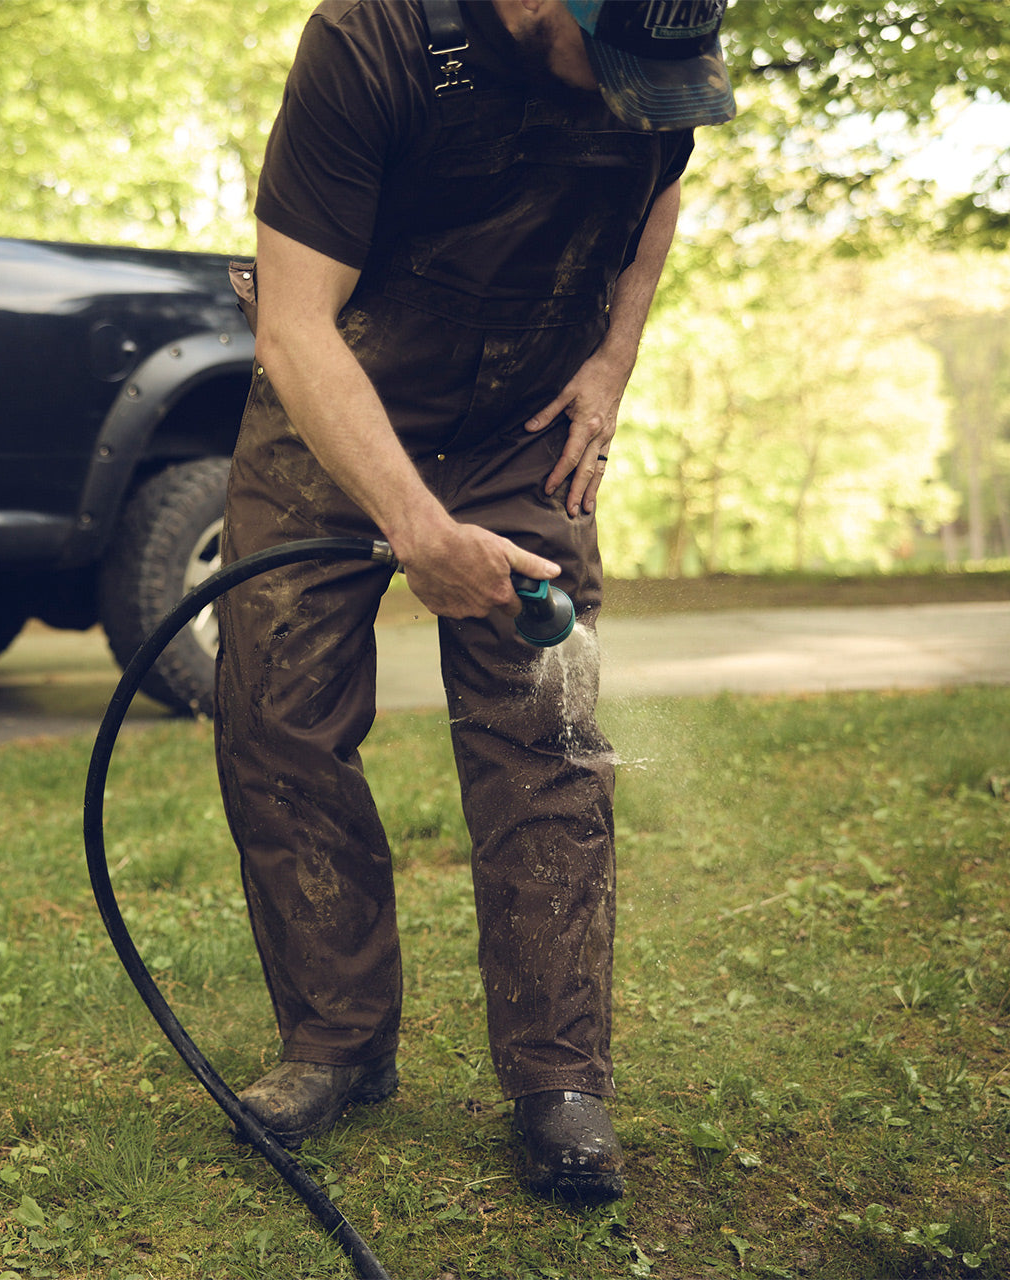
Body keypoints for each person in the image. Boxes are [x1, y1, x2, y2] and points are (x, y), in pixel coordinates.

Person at [214, 0, 734, 1203]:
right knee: (280, 718)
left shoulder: (656, 58)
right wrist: (413, 525)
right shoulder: (372, 45)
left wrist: (613, 361)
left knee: (544, 732)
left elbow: (658, 188)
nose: (624, 100)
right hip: (335, 407)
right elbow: (292, 326)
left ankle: (559, 1078)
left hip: (523, 421)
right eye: (606, 70)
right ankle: (335, 1041)